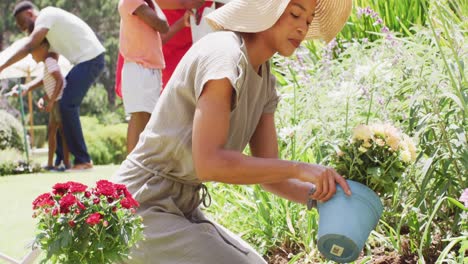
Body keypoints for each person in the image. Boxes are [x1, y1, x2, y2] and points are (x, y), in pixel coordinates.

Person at [112, 0, 353, 263]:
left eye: (307, 21)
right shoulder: (224, 56)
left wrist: (329, 198)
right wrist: (297, 167)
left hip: (181, 206)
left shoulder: (265, 78)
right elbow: (210, 164)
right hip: (138, 206)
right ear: (264, 9)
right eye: (295, 14)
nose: (302, 28)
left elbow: (271, 175)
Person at [0, 1, 105, 170]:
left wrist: (2, 67)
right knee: (62, 106)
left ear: (29, 13)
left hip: (91, 58)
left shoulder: (46, 15)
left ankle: (83, 160)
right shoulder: (50, 38)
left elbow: (29, 46)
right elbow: (49, 75)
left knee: (67, 105)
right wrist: (28, 88)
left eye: (22, 23)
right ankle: (61, 160)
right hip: (84, 61)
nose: (22, 28)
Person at [118, 0, 195, 153]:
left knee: (147, 119)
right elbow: (162, 24)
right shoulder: (133, 1)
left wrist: (181, 23)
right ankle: (131, 167)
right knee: (139, 116)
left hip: (148, 69)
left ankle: (139, 165)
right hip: (139, 68)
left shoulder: (145, 6)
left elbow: (161, 38)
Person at [11, 40, 70, 171]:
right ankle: (50, 163)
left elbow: (60, 80)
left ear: (43, 49)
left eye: (33, 53)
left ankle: (67, 163)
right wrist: (45, 98)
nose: (32, 56)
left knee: (62, 133)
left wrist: (52, 100)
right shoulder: (47, 64)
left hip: (59, 101)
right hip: (55, 101)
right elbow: (52, 83)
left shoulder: (50, 61)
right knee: (52, 131)